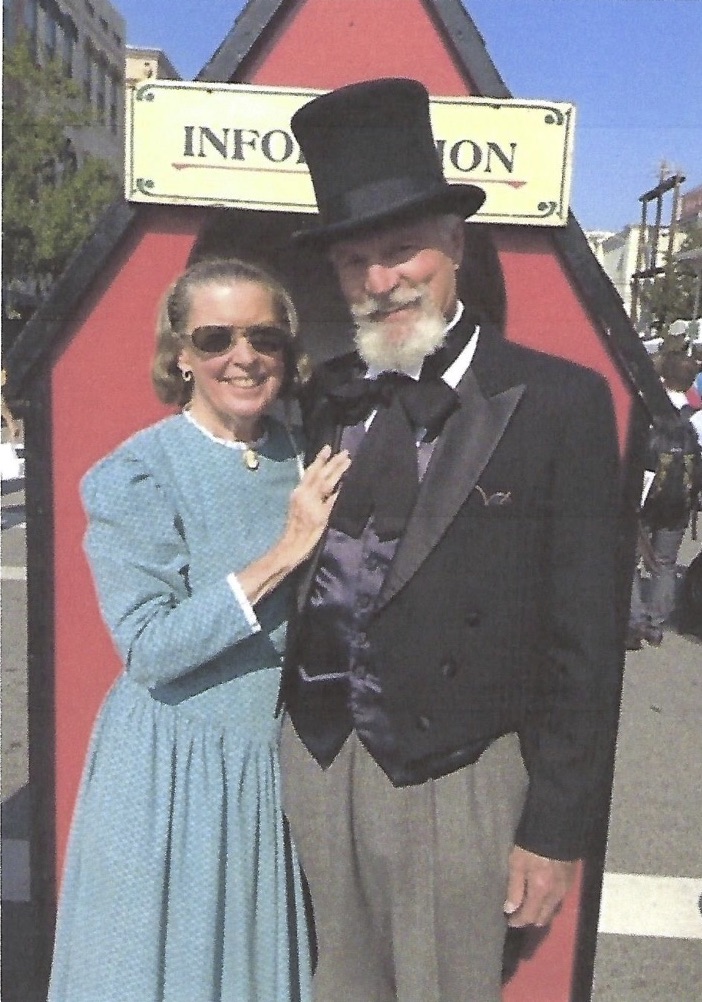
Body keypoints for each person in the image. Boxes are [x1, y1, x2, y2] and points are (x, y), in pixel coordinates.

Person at [278, 79, 622, 1002]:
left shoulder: (562, 402)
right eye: (355, 262)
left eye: (401, 251)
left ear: (456, 244)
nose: (381, 281)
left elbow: (587, 647)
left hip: (454, 773)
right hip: (312, 761)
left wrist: (554, 830)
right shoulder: (327, 393)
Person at [47, 257, 350, 1002]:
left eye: (263, 337)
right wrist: (284, 553)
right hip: (172, 767)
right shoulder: (139, 473)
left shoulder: (302, 453)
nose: (241, 357)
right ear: (179, 353)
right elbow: (150, 649)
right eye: (215, 338)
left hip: (269, 763)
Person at [627, 350, 701, 649]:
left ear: (663, 377)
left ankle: (634, 621)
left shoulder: (646, 410)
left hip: (645, 497)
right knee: (666, 563)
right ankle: (656, 625)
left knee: (632, 560)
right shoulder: (697, 418)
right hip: (679, 503)